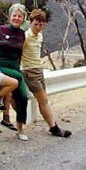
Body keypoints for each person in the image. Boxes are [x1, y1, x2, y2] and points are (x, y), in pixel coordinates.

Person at [22, 9, 72, 137]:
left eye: (41, 24)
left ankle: (52, 126)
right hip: (29, 71)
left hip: (39, 70)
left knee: (44, 100)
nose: (38, 27)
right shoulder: (25, 37)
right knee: (43, 100)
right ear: (30, 23)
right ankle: (54, 128)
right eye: (36, 24)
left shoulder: (40, 36)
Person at [0, 3, 29, 141]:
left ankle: (20, 129)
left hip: (14, 69)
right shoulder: (1, 30)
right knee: (19, 77)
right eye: (14, 15)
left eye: (20, 16)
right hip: (0, 67)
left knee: (23, 97)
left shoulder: (22, 34)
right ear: (9, 16)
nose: (17, 18)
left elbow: (20, 54)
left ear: (23, 18)